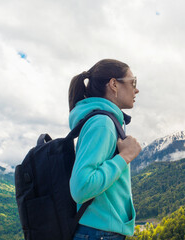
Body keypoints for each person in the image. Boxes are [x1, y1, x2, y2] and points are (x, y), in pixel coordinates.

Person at [68, 59, 141, 240]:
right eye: (133, 82)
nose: (136, 89)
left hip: (99, 231)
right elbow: (81, 188)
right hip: (99, 233)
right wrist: (124, 156)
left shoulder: (103, 121)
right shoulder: (102, 124)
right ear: (114, 84)